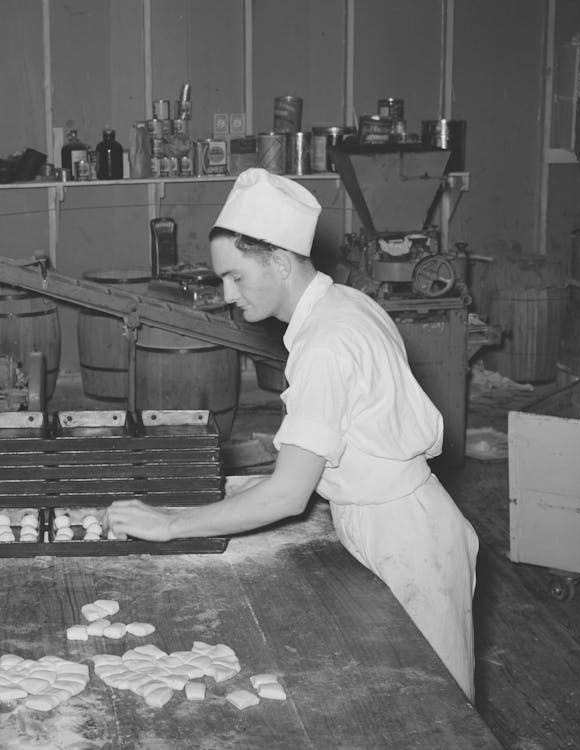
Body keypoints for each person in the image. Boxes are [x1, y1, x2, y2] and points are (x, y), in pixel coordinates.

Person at [107, 168, 479, 700]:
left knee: (435, 712)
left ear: (280, 262)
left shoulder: (326, 341)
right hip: (398, 520)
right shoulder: (346, 304)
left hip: (406, 538)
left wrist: (171, 524)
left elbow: (287, 493)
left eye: (236, 276)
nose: (227, 294)